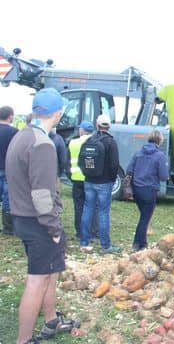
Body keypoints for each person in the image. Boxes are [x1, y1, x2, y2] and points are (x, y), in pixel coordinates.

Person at [6, 88, 79, 344]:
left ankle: (51, 321)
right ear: (57, 113)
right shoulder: (43, 144)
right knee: (36, 281)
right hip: (39, 222)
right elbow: (42, 194)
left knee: (51, 272)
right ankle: (24, 339)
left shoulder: (22, 135)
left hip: (22, 217)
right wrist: (54, 229)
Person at [79, 114, 121, 254]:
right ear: (109, 126)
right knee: (103, 212)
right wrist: (112, 179)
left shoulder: (90, 139)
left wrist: (87, 174)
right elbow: (115, 164)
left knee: (87, 209)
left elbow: (81, 161)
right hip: (104, 183)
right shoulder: (110, 142)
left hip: (89, 180)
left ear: (97, 125)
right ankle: (105, 245)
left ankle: (84, 242)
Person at [126, 130, 169, 251]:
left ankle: (143, 243)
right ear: (159, 141)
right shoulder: (160, 156)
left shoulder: (138, 153)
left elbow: (129, 169)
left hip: (136, 190)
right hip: (150, 190)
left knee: (144, 216)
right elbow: (163, 176)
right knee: (145, 218)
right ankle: (137, 244)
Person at [67, 121, 98, 239]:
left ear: (81, 130)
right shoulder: (95, 143)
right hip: (90, 179)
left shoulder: (73, 143)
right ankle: (93, 231)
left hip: (76, 179)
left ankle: (80, 232)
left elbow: (68, 161)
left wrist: (70, 175)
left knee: (79, 206)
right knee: (92, 206)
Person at [0, 106, 19, 234]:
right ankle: (8, 227)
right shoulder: (14, 132)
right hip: (8, 168)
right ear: (10, 116)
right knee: (8, 197)